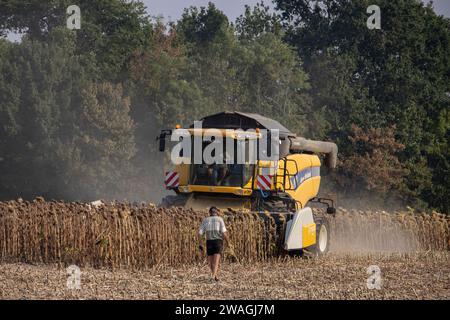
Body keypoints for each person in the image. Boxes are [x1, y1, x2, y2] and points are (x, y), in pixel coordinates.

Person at [198, 206, 229, 281]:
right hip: (217, 241)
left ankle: (215, 276)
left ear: (210, 212)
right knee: (216, 261)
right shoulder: (220, 219)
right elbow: (224, 233)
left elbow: (199, 233)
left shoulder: (205, 220)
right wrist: (228, 242)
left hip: (209, 242)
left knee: (211, 262)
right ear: (217, 212)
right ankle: (212, 277)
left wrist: (200, 243)